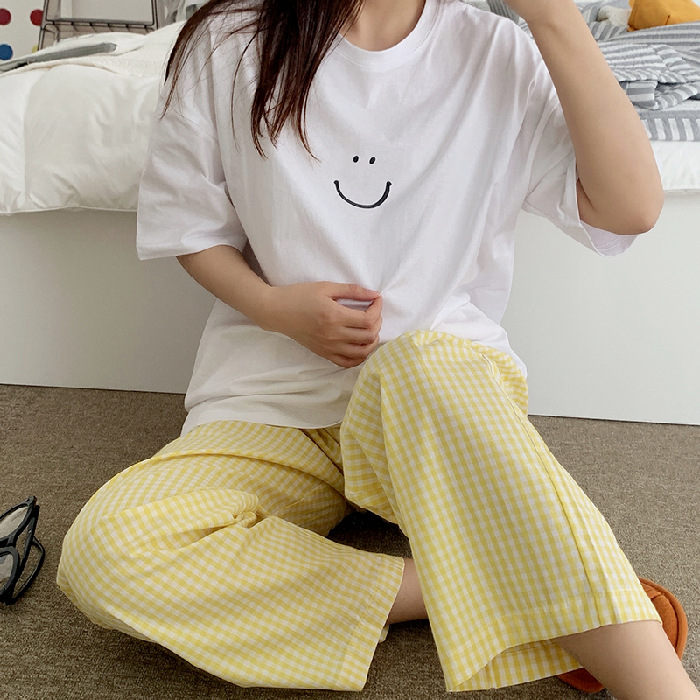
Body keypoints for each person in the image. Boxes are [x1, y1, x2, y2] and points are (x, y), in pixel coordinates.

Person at [57, 0, 699, 697]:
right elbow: (189, 225)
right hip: (272, 406)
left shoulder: (499, 50)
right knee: (109, 552)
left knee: (420, 361)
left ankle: (651, 679)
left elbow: (629, 208)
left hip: (435, 405)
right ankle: (526, 584)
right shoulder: (230, 42)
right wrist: (274, 308)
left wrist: (554, 18)